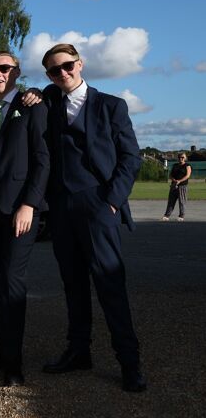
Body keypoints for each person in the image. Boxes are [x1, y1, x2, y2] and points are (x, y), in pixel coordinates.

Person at [40, 43, 146, 392]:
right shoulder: (49, 101)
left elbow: (130, 157)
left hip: (98, 203)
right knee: (73, 284)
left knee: (109, 284)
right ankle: (78, 351)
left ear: (80, 64)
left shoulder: (111, 105)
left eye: (67, 66)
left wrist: (112, 201)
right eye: (54, 70)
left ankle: (130, 362)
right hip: (61, 208)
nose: (63, 73)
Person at [0, 51, 49, 386]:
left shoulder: (32, 105)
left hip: (19, 208)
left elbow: (42, 160)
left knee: (12, 282)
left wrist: (29, 204)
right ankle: (3, 351)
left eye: (4, 68)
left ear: (16, 72)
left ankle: (14, 363)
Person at [162, 153, 191, 221]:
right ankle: (167, 215)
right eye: (179, 157)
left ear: (185, 158)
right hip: (174, 185)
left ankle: (181, 216)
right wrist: (174, 180)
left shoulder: (187, 166)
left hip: (182, 186)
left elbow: (187, 175)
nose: (181, 158)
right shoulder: (175, 165)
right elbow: (171, 175)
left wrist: (179, 181)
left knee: (182, 201)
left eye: (182, 157)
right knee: (171, 201)